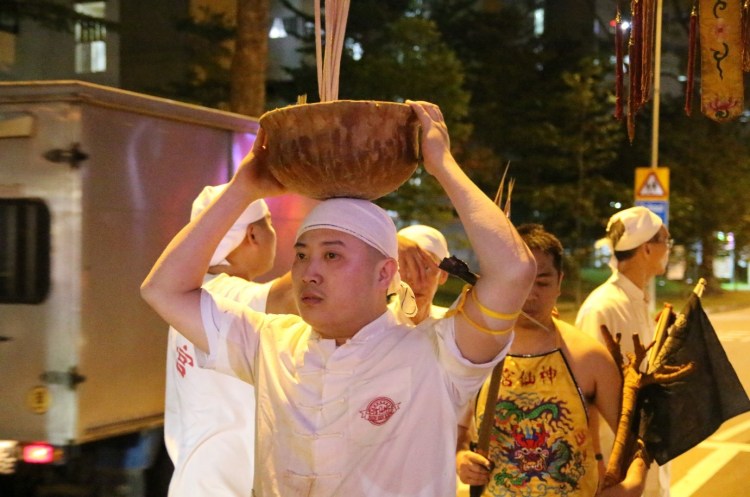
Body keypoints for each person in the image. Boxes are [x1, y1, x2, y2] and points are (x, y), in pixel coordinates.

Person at [140, 100, 537, 496]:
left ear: (385, 273)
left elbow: (514, 271)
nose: (308, 272)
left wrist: (444, 167)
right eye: (300, 255)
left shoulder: (438, 354)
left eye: (332, 255)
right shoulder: (269, 342)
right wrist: (242, 189)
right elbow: (162, 290)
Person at [456, 223, 645, 497]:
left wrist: (632, 484)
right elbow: (454, 434)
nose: (530, 294)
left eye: (542, 282)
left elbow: (635, 439)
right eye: (520, 281)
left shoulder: (589, 358)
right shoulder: (476, 354)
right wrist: (461, 459)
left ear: (560, 282)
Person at [164, 184, 295, 497]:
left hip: (202, 483)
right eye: (271, 225)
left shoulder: (201, 293)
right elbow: (293, 293)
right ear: (253, 235)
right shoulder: (222, 296)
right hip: (219, 487)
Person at [575, 206, 672, 497]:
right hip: (613, 456)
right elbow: (585, 392)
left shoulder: (635, 299)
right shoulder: (602, 307)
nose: (668, 249)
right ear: (646, 249)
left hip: (640, 449)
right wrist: (597, 459)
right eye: (665, 241)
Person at [397, 224, 451, 324]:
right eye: (406, 267)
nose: (415, 280)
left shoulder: (452, 326)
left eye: (426, 268)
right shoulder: (373, 325)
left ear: (443, 275)